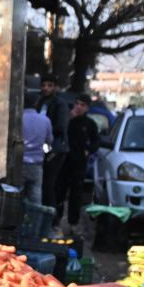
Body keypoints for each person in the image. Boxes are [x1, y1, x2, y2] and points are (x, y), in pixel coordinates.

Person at [58, 93, 101, 230]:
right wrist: (70, 118)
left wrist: (88, 150)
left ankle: (73, 223)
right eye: (77, 103)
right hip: (64, 160)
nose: (78, 107)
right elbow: (60, 132)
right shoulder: (68, 120)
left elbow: (96, 142)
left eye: (82, 105)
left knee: (76, 194)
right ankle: (56, 221)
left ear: (87, 108)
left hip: (80, 162)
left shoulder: (90, 124)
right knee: (59, 191)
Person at [37, 73, 70, 214]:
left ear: (55, 87)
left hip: (55, 149)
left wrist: (43, 130)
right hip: (43, 148)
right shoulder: (39, 102)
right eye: (44, 85)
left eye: (49, 85)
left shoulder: (59, 104)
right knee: (43, 185)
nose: (46, 88)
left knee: (49, 185)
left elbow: (60, 127)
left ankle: (51, 219)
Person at [21, 90, 53, 204]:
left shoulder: (18, 119)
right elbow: (49, 141)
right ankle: (35, 220)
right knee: (35, 195)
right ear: (36, 103)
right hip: (36, 163)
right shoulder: (45, 120)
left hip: (20, 163)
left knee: (18, 196)